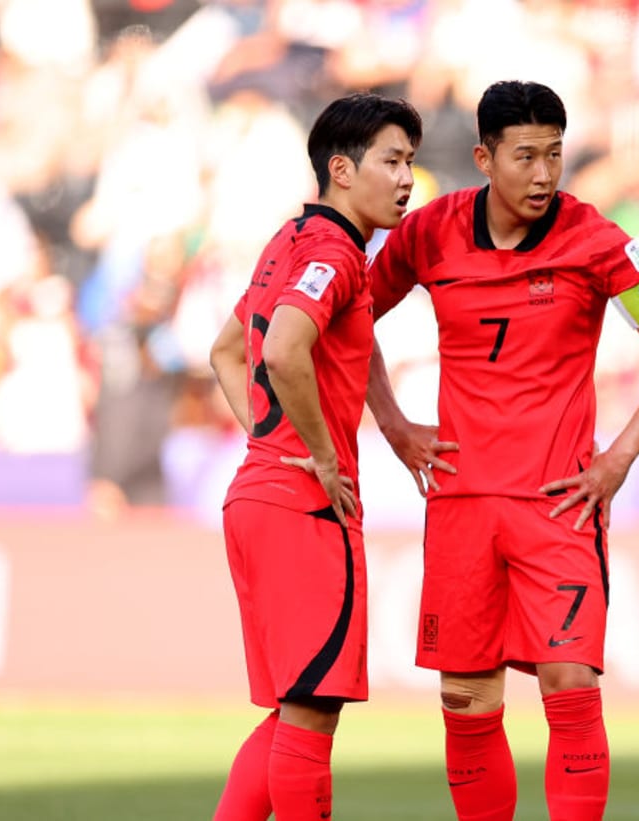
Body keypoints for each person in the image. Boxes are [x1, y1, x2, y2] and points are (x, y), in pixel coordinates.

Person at [367, 80, 639, 821]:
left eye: (554, 154)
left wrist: (618, 458)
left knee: (569, 683)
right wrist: (393, 424)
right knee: (467, 698)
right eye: (526, 156)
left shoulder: (598, 242)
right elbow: (347, 317)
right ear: (484, 158)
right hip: (460, 502)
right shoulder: (429, 233)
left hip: (559, 504)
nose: (544, 173)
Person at [207, 92, 421, 821]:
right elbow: (282, 348)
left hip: (257, 493)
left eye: (410, 162)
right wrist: (321, 456)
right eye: (392, 161)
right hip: (304, 506)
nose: (406, 179)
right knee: (310, 713)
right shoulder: (334, 254)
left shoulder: (290, 241)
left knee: (293, 708)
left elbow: (226, 351)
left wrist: (272, 441)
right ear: (341, 169)